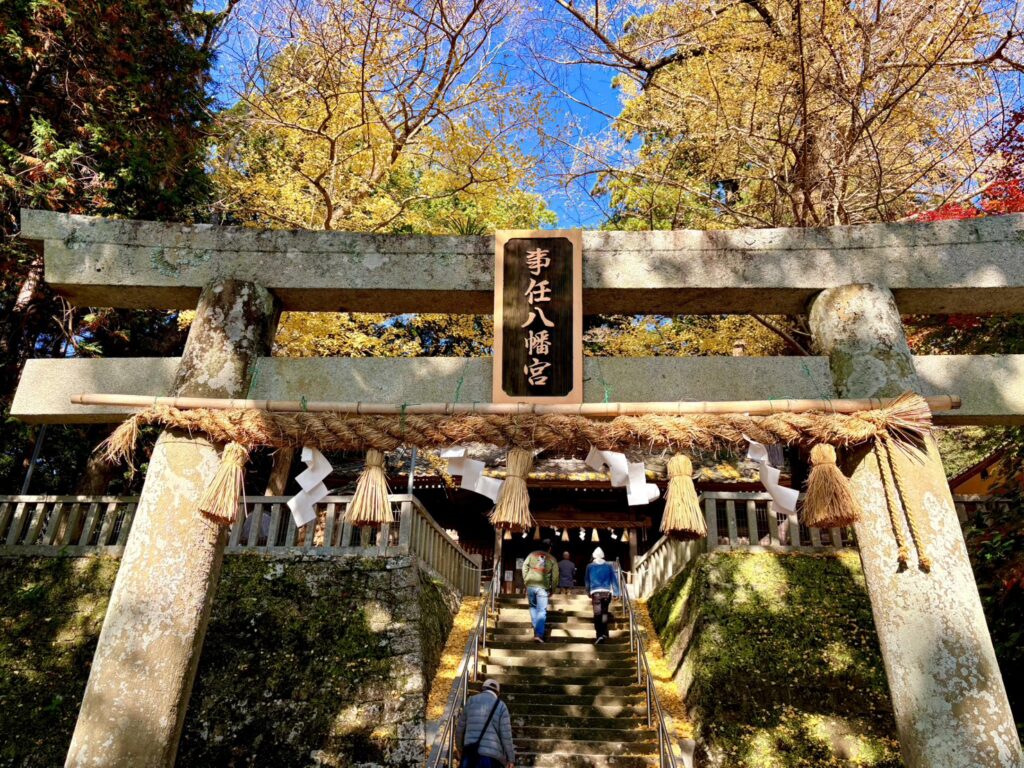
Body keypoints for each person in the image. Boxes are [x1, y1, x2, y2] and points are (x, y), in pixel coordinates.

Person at [456, 678, 515, 768]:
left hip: (469, 753)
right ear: (498, 693)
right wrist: (511, 759)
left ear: (483, 689)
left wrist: (459, 748)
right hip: (491, 756)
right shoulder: (501, 706)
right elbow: (506, 735)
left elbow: (460, 728)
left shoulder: (471, 701)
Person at [521, 538, 557, 642]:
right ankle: (539, 634)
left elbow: (524, 567)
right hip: (543, 587)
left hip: (531, 585)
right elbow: (555, 576)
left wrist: (526, 581)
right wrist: (553, 589)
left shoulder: (532, 555)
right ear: (550, 548)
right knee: (541, 610)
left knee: (533, 607)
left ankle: (536, 628)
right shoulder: (552, 559)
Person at [585, 547, 621, 644]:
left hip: (595, 592)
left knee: (597, 614)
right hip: (606, 592)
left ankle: (599, 634)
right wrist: (617, 592)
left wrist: (588, 591)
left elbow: (587, 580)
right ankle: (604, 632)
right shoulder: (609, 566)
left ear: (593, 556)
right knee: (604, 613)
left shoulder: (590, 566)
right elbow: (614, 579)